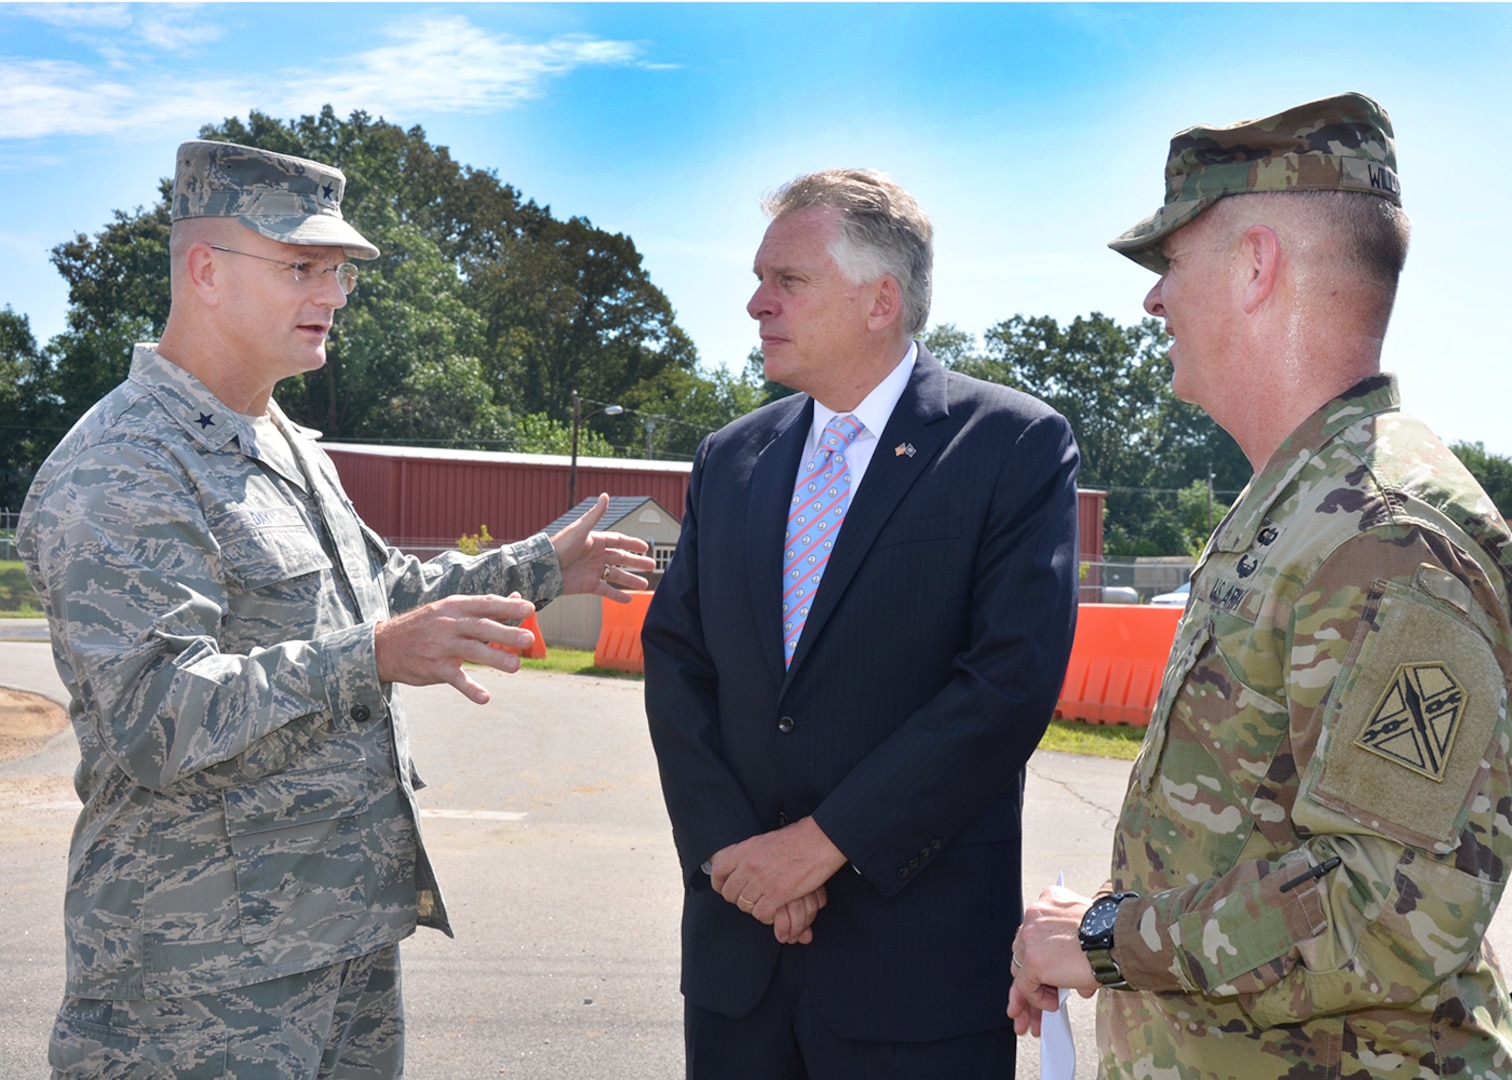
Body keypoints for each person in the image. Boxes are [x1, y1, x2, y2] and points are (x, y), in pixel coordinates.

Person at [18, 139, 655, 1078]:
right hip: (198, 983)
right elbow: (156, 716)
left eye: (342, 269)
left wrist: (538, 568)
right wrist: (372, 657)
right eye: (303, 266)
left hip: (337, 936)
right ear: (205, 271)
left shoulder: (283, 440)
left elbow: (378, 589)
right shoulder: (124, 465)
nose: (335, 291)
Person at [1007, 93, 1512, 1079]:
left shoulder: (1385, 536)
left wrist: (1111, 937)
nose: (1152, 301)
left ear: (1255, 266)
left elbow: (1394, 913)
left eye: (1170, 264)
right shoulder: (1301, 505)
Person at [642, 168, 1080, 1078]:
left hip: (917, 978)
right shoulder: (731, 458)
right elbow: (677, 664)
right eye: (760, 278)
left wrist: (818, 848)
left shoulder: (1011, 446)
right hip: (740, 967)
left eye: (787, 281)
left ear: (882, 300)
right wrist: (738, 862)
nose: (756, 302)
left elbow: (1006, 685)